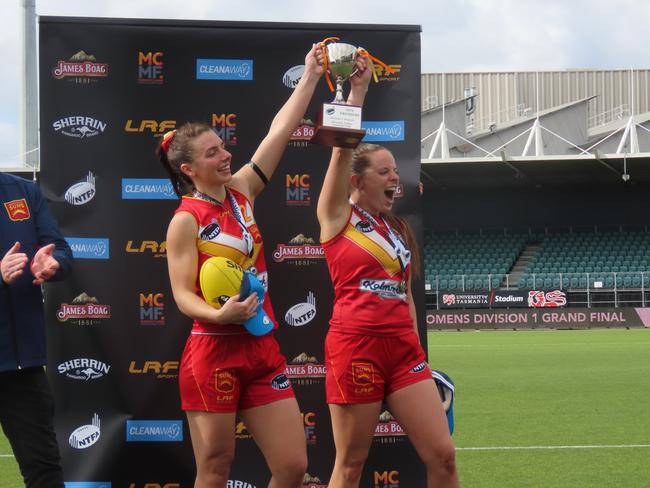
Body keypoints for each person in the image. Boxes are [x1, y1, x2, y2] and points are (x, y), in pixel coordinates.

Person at [158, 45, 324, 487]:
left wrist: (309, 76)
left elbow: (279, 132)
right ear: (191, 169)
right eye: (212, 153)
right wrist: (219, 314)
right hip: (213, 349)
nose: (225, 155)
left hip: (261, 347)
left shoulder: (243, 191)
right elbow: (181, 295)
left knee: (292, 466)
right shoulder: (185, 221)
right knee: (214, 469)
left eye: (223, 145)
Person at [316, 57, 460, 488]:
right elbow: (341, 151)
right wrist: (357, 93)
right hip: (356, 348)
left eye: (396, 171)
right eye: (385, 172)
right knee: (351, 466)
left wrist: (414, 344)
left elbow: (405, 293)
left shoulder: (394, 228)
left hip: (403, 352)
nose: (396, 179)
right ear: (357, 181)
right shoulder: (336, 215)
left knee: (444, 457)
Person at [1, 172, 73, 488]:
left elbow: (59, 249)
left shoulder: (24, 191)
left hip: (21, 367)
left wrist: (53, 262)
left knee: (44, 472)